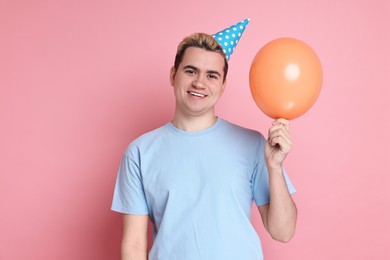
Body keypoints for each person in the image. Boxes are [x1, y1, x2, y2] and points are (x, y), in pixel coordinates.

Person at [112, 24, 297, 260]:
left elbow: (283, 232)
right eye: (191, 71)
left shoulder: (253, 144)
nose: (200, 82)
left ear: (222, 86)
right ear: (173, 75)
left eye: (212, 75)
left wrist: (275, 167)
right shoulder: (139, 152)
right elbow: (134, 246)